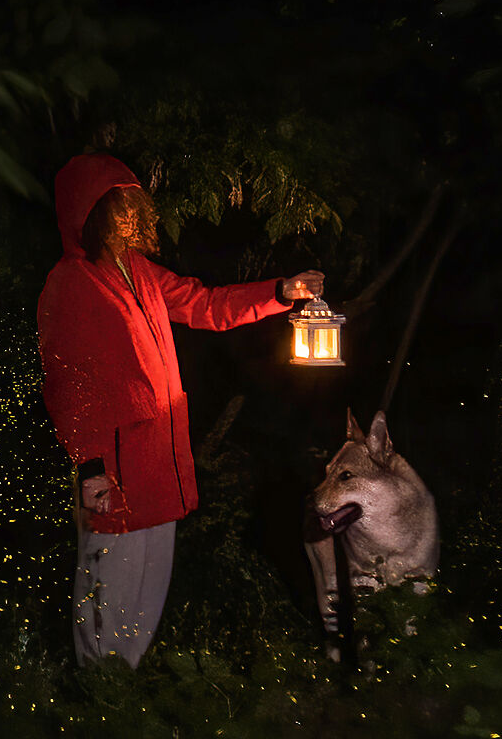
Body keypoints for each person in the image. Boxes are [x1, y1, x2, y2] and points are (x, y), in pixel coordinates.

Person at [37, 150, 324, 668]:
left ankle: (123, 686)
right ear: (89, 214)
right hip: (116, 467)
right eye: (117, 208)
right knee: (110, 583)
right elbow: (68, 384)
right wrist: (91, 465)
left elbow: (205, 304)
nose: (129, 218)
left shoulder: (140, 272)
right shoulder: (72, 283)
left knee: (149, 584)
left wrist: (280, 293)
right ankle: (99, 689)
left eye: (132, 206)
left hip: (158, 459)